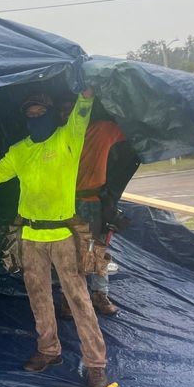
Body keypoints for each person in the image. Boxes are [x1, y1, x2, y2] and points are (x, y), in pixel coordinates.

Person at [0, 89, 109, 387]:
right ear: (25, 118)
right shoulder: (18, 151)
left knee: (78, 299)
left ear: (52, 114)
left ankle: (95, 365)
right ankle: (49, 350)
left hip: (63, 234)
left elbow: (81, 115)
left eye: (41, 112)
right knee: (38, 297)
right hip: (30, 235)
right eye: (31, 114)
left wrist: (86, 96)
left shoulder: (68, 138)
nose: (36, 117)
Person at [58, 103, 137, 318]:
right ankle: (70, 298)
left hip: (98, 202)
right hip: (66, 203)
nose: (71, 117)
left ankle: (99, 294)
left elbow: (134, 130)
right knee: (70, 252)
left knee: (98, 248)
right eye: (66, 114)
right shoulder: (58, 136)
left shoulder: (103, 129)